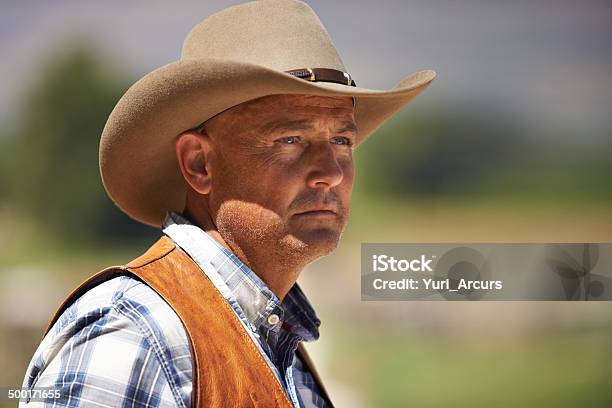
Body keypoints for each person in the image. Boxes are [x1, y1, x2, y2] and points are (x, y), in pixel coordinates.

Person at [20, 0, 435, 406]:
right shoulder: (136, 334)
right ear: (199, 163)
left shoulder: (273, 342)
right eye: (290, 140)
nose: (331, 171)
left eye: (342, 140)